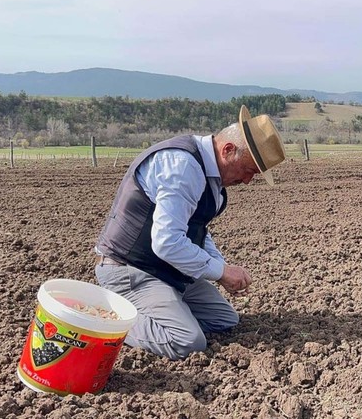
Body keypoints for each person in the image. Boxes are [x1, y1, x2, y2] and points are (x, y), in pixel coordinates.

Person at [93, 105, 286, 360]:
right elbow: (167, 243)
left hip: (167, 271)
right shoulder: (182, 167)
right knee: (187, 340)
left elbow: (198, 231)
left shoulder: (212, 179)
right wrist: (221, 272)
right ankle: (103, 320)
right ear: (228, 150)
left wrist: (221, 268)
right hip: (132, 270)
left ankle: (165, 310)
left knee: (224, 319)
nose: (248, 181)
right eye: (249, 171)